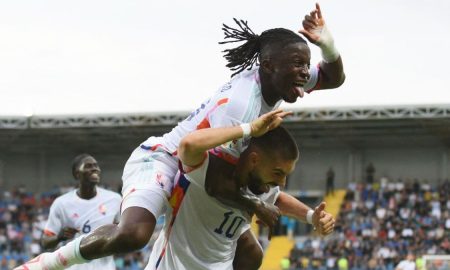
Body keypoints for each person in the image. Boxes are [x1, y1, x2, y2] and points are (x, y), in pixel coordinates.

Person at [16, 3, 344, 269]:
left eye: (307, 64)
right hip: (166, 160)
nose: (305, 72)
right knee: (134, 233)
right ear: (269, 65)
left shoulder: (277, 78)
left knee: (250, 255)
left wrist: (326, 41)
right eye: (298, 65)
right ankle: (48, 263)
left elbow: (334, 77)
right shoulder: (242, 106)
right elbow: (213, 182)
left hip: (198, 169)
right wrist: (258, 205)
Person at [146, 110, 335, 269]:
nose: (282, 182)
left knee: (255, 254)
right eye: (278, 172)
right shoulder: (209, 170)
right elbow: (187, 146)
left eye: (286, 175)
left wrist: (312, 217)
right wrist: (248, 129)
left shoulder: (262, 184)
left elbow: (277, 199)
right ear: (254, 160)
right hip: (170, 266)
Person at [40, 154, 121, 270]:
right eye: (88, 166)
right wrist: (59, 237)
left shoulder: (114, 199)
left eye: (96, 166)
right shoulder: (61, 203)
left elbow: (122, 232)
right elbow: (45, 242)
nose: (95, 169)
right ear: (77, 174)